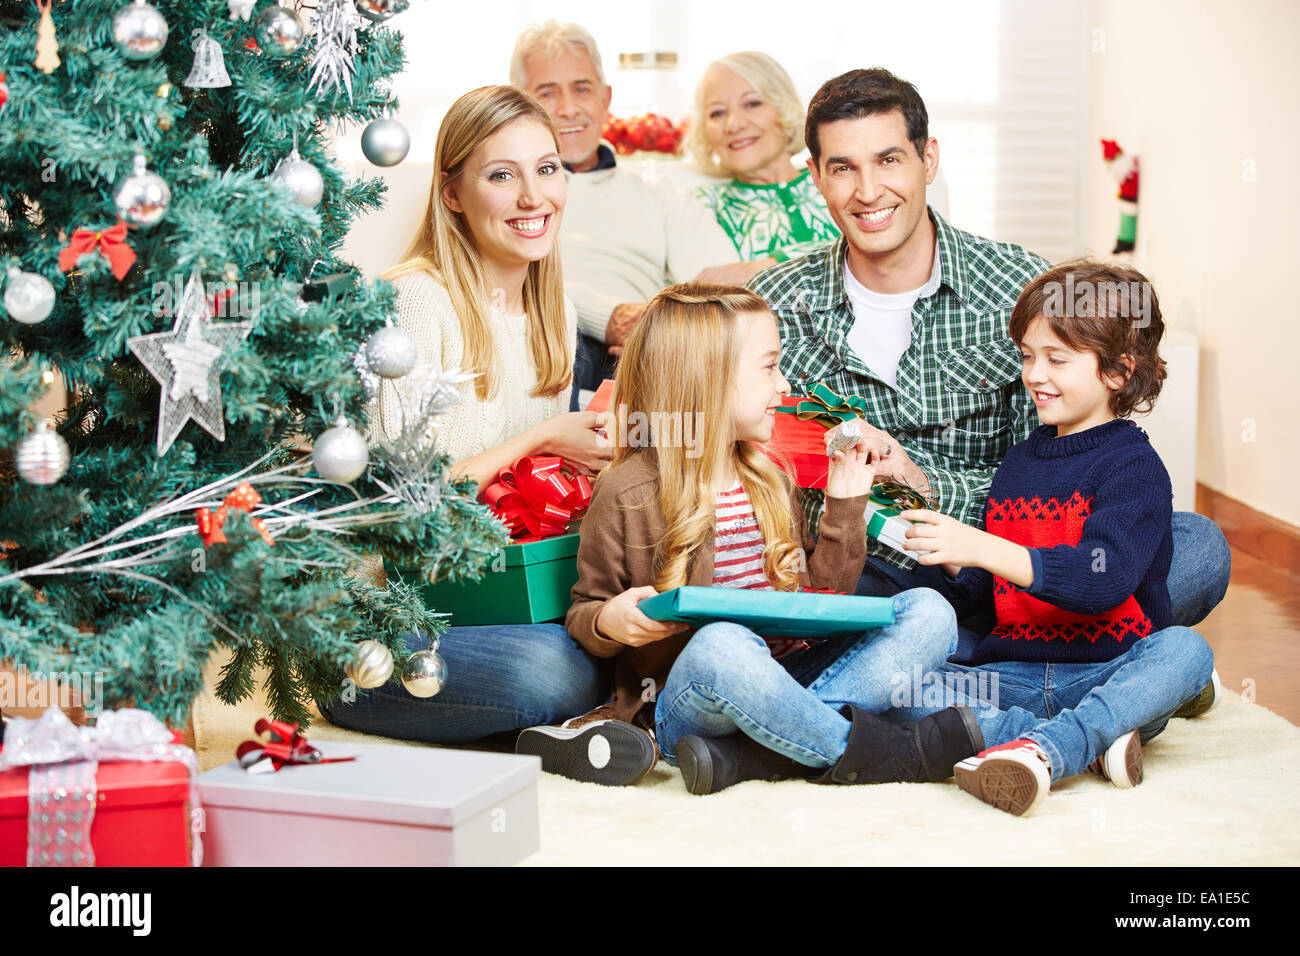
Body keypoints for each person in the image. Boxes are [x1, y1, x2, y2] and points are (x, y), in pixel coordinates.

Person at [747, 67, 1230, 658]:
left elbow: (1061, 472)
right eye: (843, 168)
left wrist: (921, 484)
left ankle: (954, 663)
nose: (868, 191)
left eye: (889, 160)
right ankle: (1053, 666)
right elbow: (751, 473)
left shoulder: (1017, 285)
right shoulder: (775, 303)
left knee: (1197, 545)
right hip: (857, 571)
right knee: (817, 599)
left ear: (929, 159)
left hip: (1009, 566)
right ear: (817, 177)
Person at [514, 285, 977, 792]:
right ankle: (891, 756)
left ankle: (753, 756)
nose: (783, 384)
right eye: (769, 367)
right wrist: (610, 619)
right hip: (691, 696)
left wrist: (846, 502)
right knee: (723, 642)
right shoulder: (627, 491)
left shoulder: (769, 476)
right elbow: (584, 611)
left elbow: (822, 600)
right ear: (706, 381)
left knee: (930, 611)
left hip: (789, 678)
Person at [857, 259, 1216, 816]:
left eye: (1057, 359)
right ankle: (1090, 738)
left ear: (1118, 372)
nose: (1034, 374)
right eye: (1027, 356)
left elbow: (1103, 578)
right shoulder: (1020, 464)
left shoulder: (1134, 468)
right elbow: (994, 596)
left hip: (1107, 669)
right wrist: (952, 558)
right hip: (1011, 679)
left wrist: (982, 546)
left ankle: (1049, 748)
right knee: (893, 686)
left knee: (1184, 651)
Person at [320, 85, 613, 744]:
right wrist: (542, 436)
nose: (534, 198)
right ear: (452, 193)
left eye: (547, 169)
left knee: (627, 628)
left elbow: (524, 505)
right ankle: (559, 722)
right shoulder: (415, 304)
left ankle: (559, 733)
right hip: (385, 616)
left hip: (488, 598)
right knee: (552, 672)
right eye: (501, 176)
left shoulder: (552, 310)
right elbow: (403, 520)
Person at [509, 21, 740, 405]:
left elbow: (723, 293)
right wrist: (606, 314)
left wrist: (657, 327)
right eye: (547, 92)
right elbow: (496, 281)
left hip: (641, 349)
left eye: (582, 88)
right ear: (520, 103)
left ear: (605, 98)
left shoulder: (660, 194)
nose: (568, 109)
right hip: (543, 333)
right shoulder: (507, 190)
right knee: (554, 341)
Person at [687, 51, 840, 287]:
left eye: (752, 103)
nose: (734, 125)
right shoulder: (701, 205)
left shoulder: (838, 178)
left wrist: (764, 266)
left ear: (784, 108)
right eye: (717, 113)